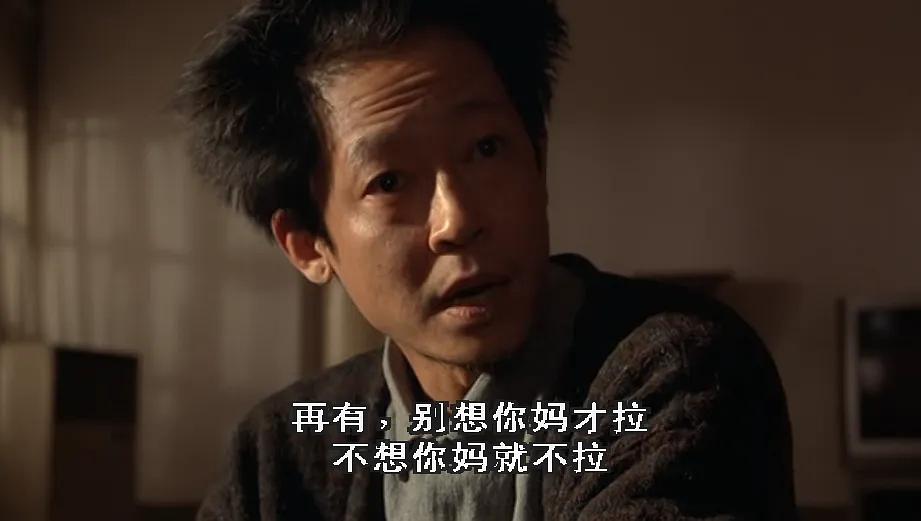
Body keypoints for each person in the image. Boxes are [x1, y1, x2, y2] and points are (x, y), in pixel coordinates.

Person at [178, 1, 797, 519]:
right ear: (309, 245)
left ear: (538, 159)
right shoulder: (280, 453)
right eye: (389, 182)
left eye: (486, 148)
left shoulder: (675, 374)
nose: (457, 219)